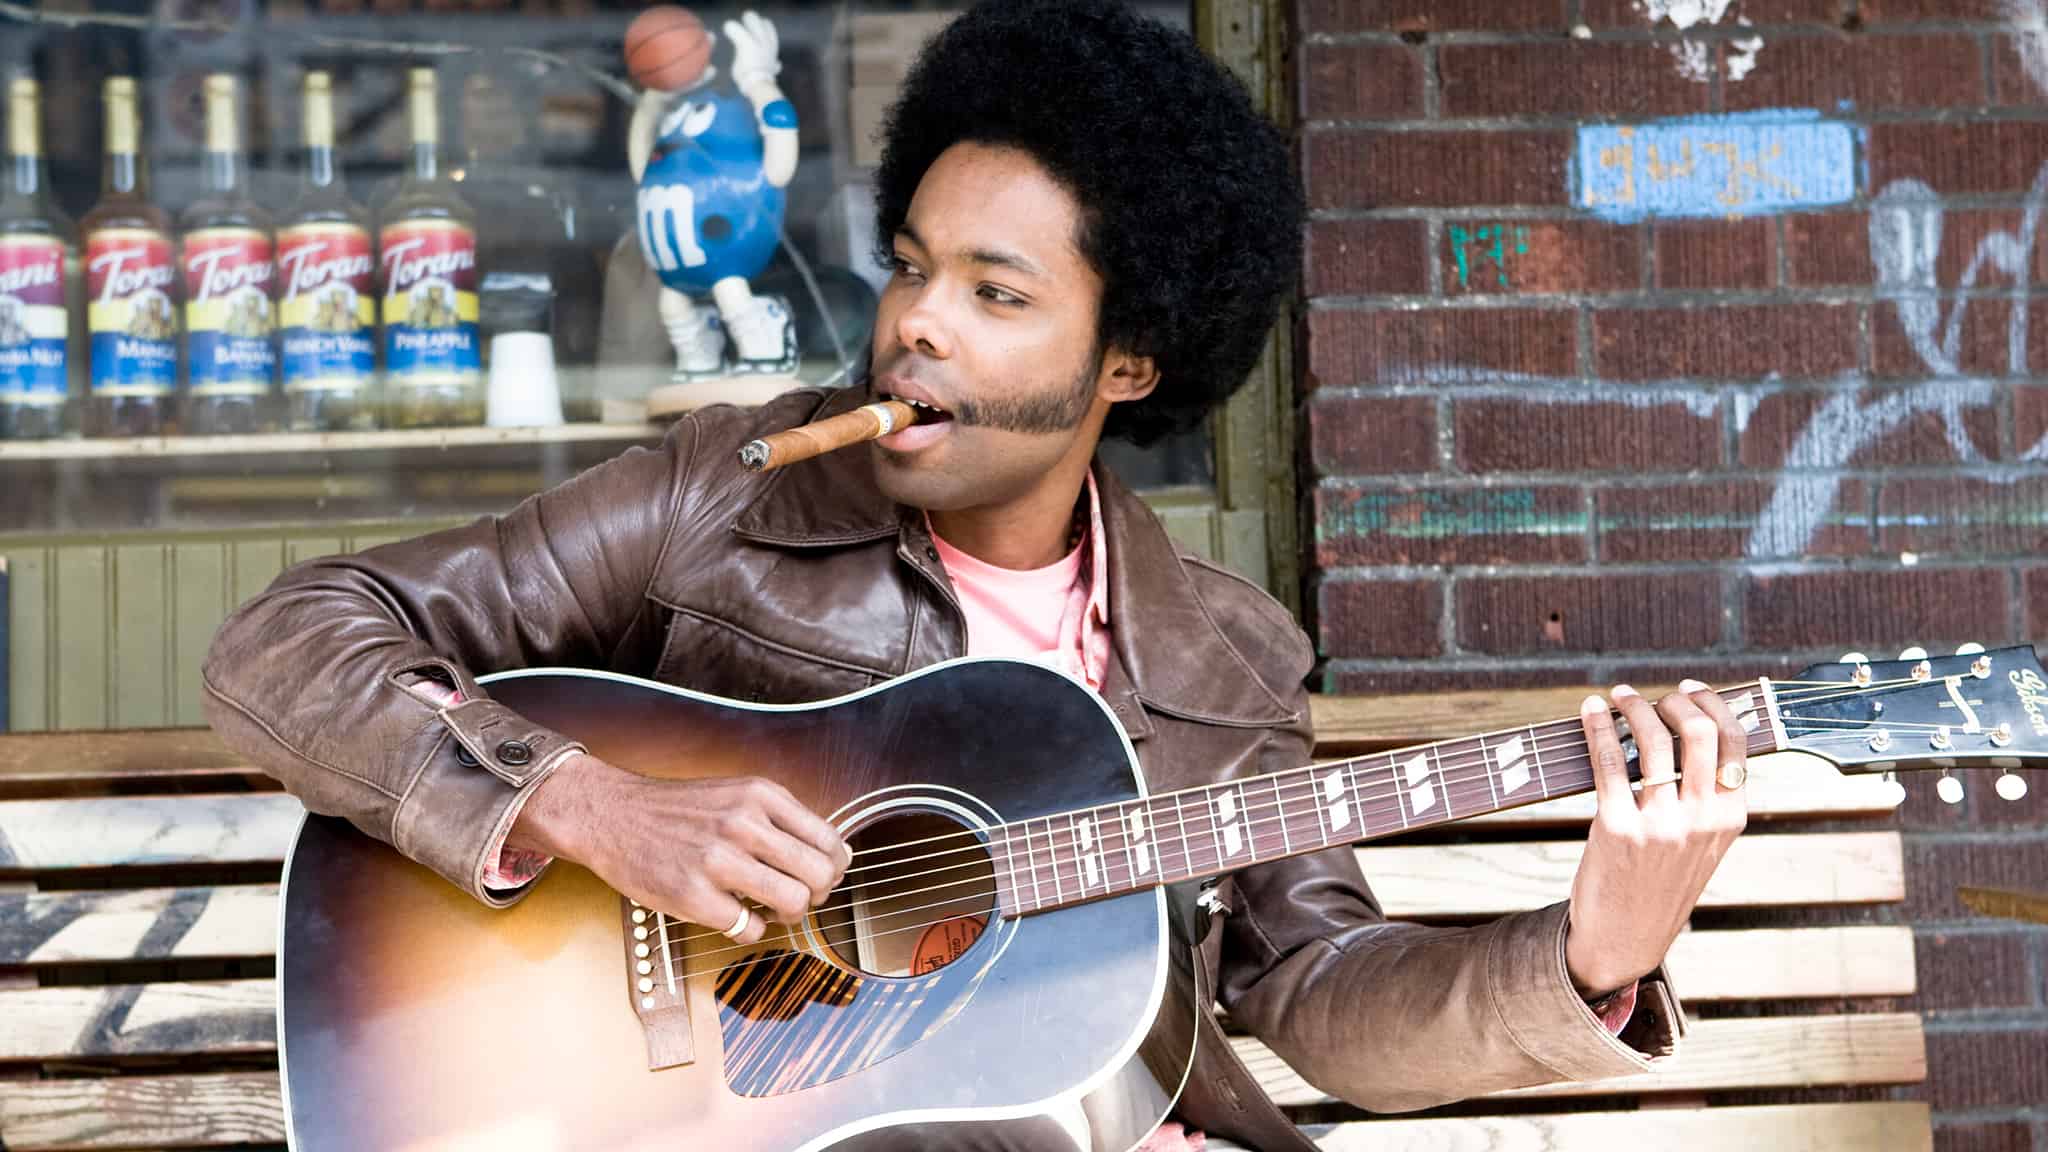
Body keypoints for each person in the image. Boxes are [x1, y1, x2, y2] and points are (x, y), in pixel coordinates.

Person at [201, 3, 1748, 1149]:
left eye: (996, 294)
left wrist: (1594, 955)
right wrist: (585, 805)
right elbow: (290, 639)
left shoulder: (1222, 660)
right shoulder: (724, 495)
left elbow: (1323, 995)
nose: (916, 325)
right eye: (910, 265)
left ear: (1129, 360)